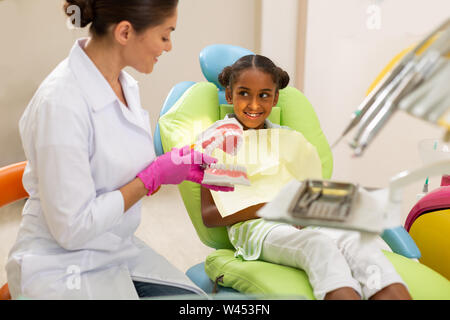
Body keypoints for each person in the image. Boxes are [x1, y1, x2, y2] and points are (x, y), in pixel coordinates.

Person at [6, 0, 231, 300]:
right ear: (125, 32)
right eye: (165, 35)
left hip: (113, 246)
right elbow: (72, 229)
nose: (169, 47)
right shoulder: (60, 105)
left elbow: (115, 164)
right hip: (63, 266)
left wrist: (173, 164)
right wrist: (151, 178)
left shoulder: (125, 85)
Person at [200, 54, 413, 300]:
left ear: (275, 98)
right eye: (244, 93)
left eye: (264, 95)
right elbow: (210, 215)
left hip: (303, 221)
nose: (254, 105)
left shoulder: (288, 138)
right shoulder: (217, 142)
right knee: (318, 245)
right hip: (255, 229)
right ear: (229, 95)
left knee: (359, 241)